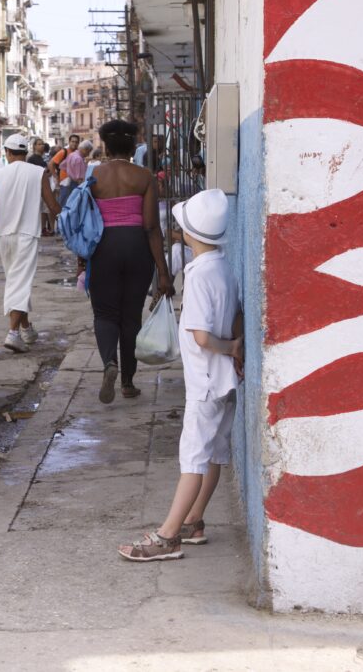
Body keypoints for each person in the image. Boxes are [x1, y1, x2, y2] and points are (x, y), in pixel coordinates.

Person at [118, 188, 243, 562]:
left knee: (192, 458)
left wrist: (229, 348)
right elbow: (235, 314)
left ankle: (167, 536)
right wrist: (234, 348)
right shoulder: (223, 265)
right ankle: (194, 521)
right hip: (224, 382)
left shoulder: (201, 275)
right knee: (215, 454)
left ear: (189, 235)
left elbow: (202, 337)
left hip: (204, 382)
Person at [87, 120, 174, 403]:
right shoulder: (144, 176)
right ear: (133, 146)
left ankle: (109, 363)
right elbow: (151, 227)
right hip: (137, 247)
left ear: (106, 146)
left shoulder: (94, 176)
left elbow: (86, 223)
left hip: (104, 248)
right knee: (131, 316)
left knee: (104, 313)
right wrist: (163, 271)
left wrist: (81, 260)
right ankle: (127, 382)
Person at [0, 134, 61, 353]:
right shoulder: (38, 172)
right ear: (26, 152)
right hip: (27, 234)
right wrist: (69, 221)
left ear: (7, 152)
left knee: (16, 280)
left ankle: (26, 328)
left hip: (4, 235)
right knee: (19, 283)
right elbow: (51, 204)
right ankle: (13, 333)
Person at [48, 134, 80, 208]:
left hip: (75, 182)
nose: (74, 143)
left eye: (76, 142)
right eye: (73, 141)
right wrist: (56, 177)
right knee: (63, 205)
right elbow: (50, 164)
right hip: (65, 183)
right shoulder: (64, 152)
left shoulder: (78, 153)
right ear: (69, 142)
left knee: (73, 205)